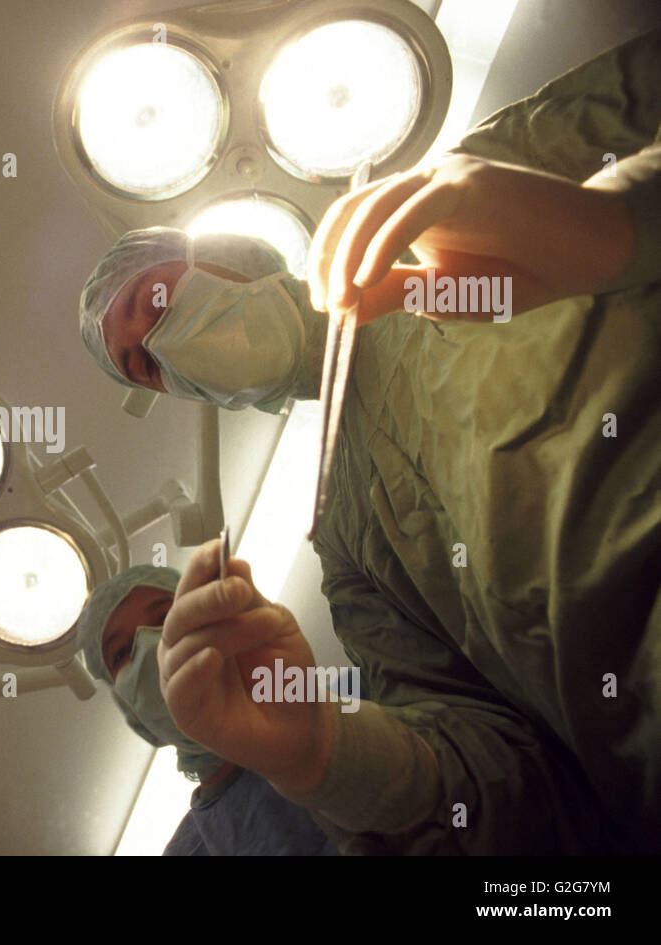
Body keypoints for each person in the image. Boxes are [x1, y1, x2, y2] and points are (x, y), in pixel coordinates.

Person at [78, 29, 661, 851]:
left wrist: (621, 218)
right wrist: (326, 752)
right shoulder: (351, 549)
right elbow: (519, 799)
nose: (163, 345)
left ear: (230, 256)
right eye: (145, 365)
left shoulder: (446, 204)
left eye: (159, 297)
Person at [77, 566, 337, 856]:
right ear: (133, 716)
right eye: (123, 652)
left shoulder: (356, 709)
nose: (153, 649)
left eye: (164, 617)